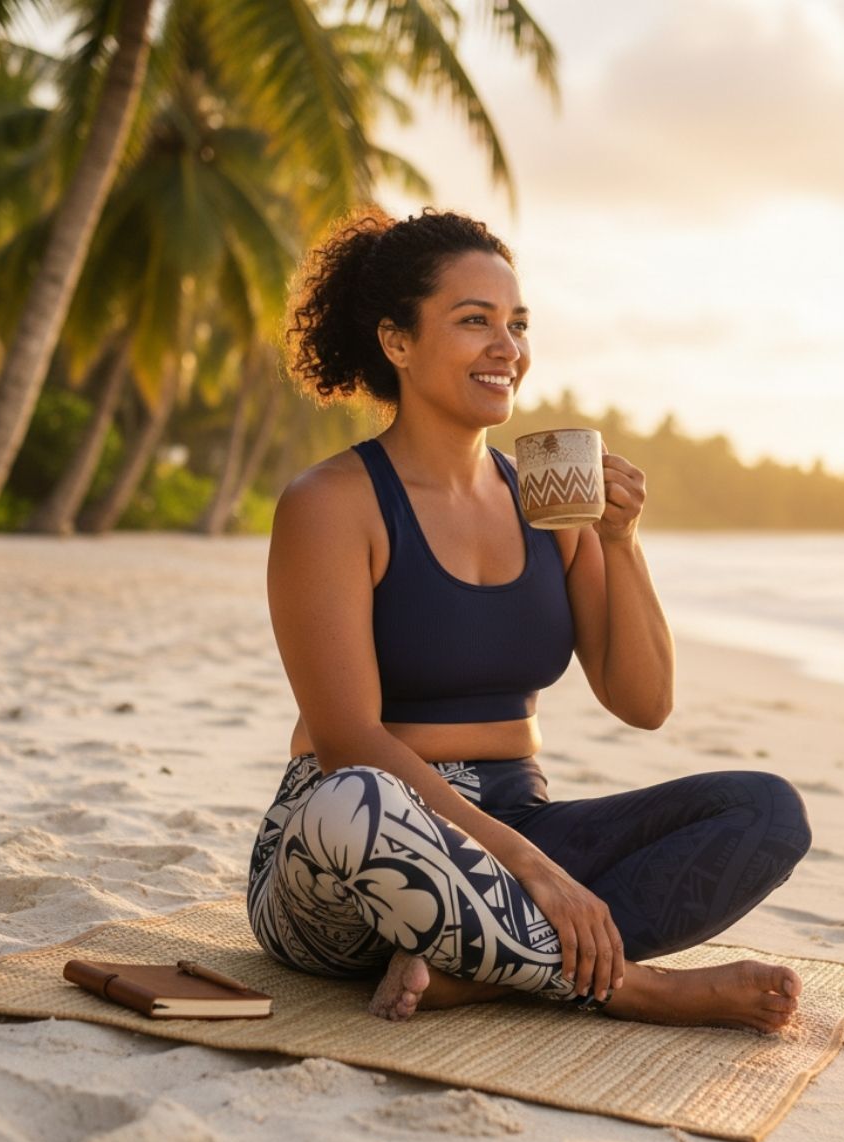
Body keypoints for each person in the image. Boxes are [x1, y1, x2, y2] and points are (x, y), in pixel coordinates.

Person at [247, 208, 811, 1031]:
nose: (507, 347)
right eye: (474, 321)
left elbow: (644, 702)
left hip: (519, 815)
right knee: (352, 799)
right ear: (397, 342)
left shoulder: (547, 501)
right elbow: (346, 742)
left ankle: (479, 974)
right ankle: (639, 990)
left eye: (517, 324)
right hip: (358, 853)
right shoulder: (332, 503)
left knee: (764, 811)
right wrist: (530, 869)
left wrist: (619, 540)